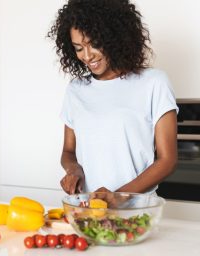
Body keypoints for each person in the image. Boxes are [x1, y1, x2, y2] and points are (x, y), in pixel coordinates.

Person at [47, 0, 178, 196]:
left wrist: (118, 197)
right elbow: (68, 151)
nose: (87, 56)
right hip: (91, 208)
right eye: (79, 48)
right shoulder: (76, 89)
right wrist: (73, 170)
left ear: (115, 38)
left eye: (95, 44)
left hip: (137, 210)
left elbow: (167, 160)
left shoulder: (153, 83)